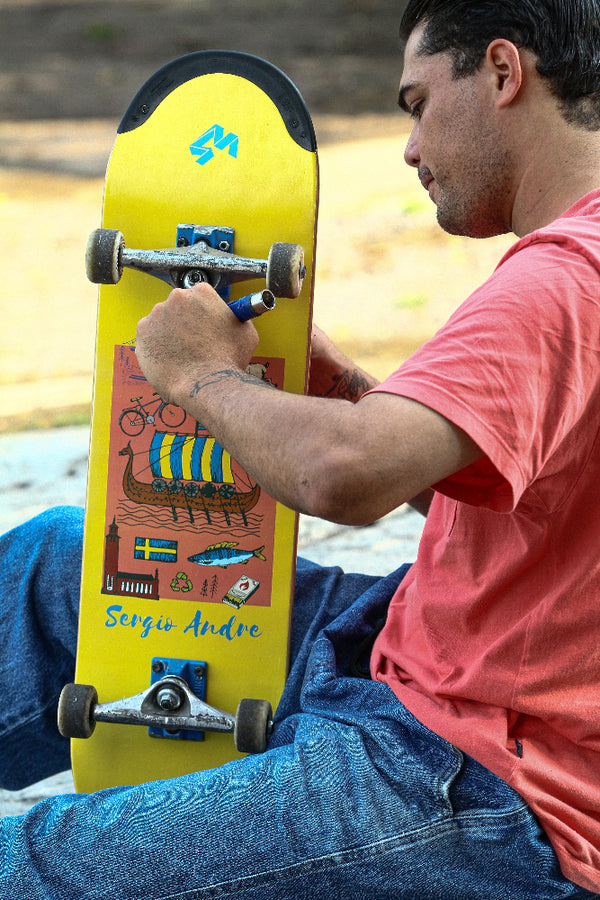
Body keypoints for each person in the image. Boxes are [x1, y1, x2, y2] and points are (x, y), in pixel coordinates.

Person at [1, 0, 600, 896]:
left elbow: (345, 475)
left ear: (505, 73)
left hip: (485, 782)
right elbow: (522, 490)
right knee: (56, 567)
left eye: (416, 102)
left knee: (39, 862)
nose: (408, 147)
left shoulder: (564, 279)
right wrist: (347, 393)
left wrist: (200, 376)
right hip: (423, 659)